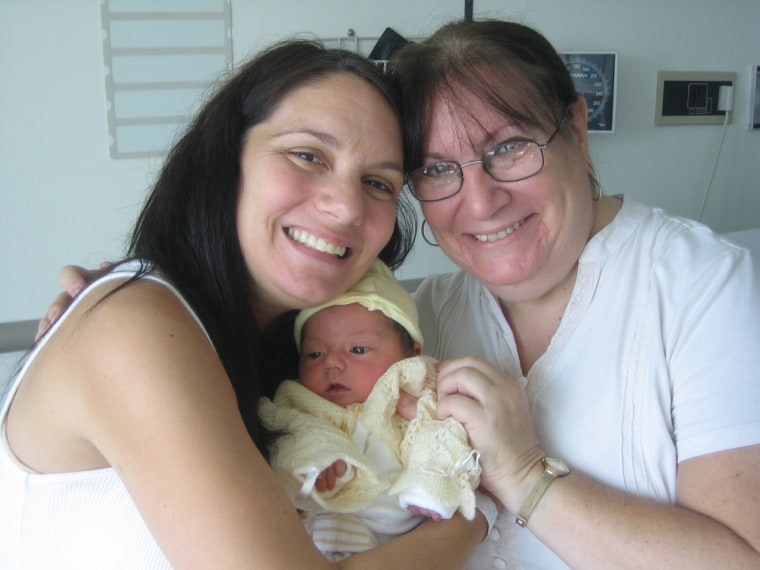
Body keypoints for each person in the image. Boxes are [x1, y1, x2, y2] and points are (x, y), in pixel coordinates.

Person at [0, 40, 489, 569]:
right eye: (307, 155)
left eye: (377, 183)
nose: (346, 206)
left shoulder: (282, 359)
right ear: (224, 161)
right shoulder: (135, 327)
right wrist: (474, 520)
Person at [389, 19, 760, 568]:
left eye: (510, 147)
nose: (482, 201)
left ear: (578, 131)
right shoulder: (423, 320)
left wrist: (522, 473)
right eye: (439, 169)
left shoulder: (702, 286)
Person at [259, 259, 486, 561]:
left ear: (411, 353)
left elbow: (443, 436)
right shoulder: (300, 402)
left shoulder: (417, 396)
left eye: (358, 350)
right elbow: (286, 431)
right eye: (315, 353)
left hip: (406, 542)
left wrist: (431, 482)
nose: (332, 363)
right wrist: (317, 459)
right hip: (320, 529)